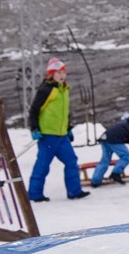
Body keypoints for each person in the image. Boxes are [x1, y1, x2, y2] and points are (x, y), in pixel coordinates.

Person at [27, 57, 90, 202]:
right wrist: (34, 128)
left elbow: (64, 112)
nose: (62, 75)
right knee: (43, 165)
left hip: (61, 136)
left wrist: (68, 129)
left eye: (63, 72)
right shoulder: (46, 90)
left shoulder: (64, 90)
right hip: (47, 135)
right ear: (51, 74)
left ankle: (75, 191)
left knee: (72, 161)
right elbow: (34, 110)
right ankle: (34, 194)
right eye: (58, 72)